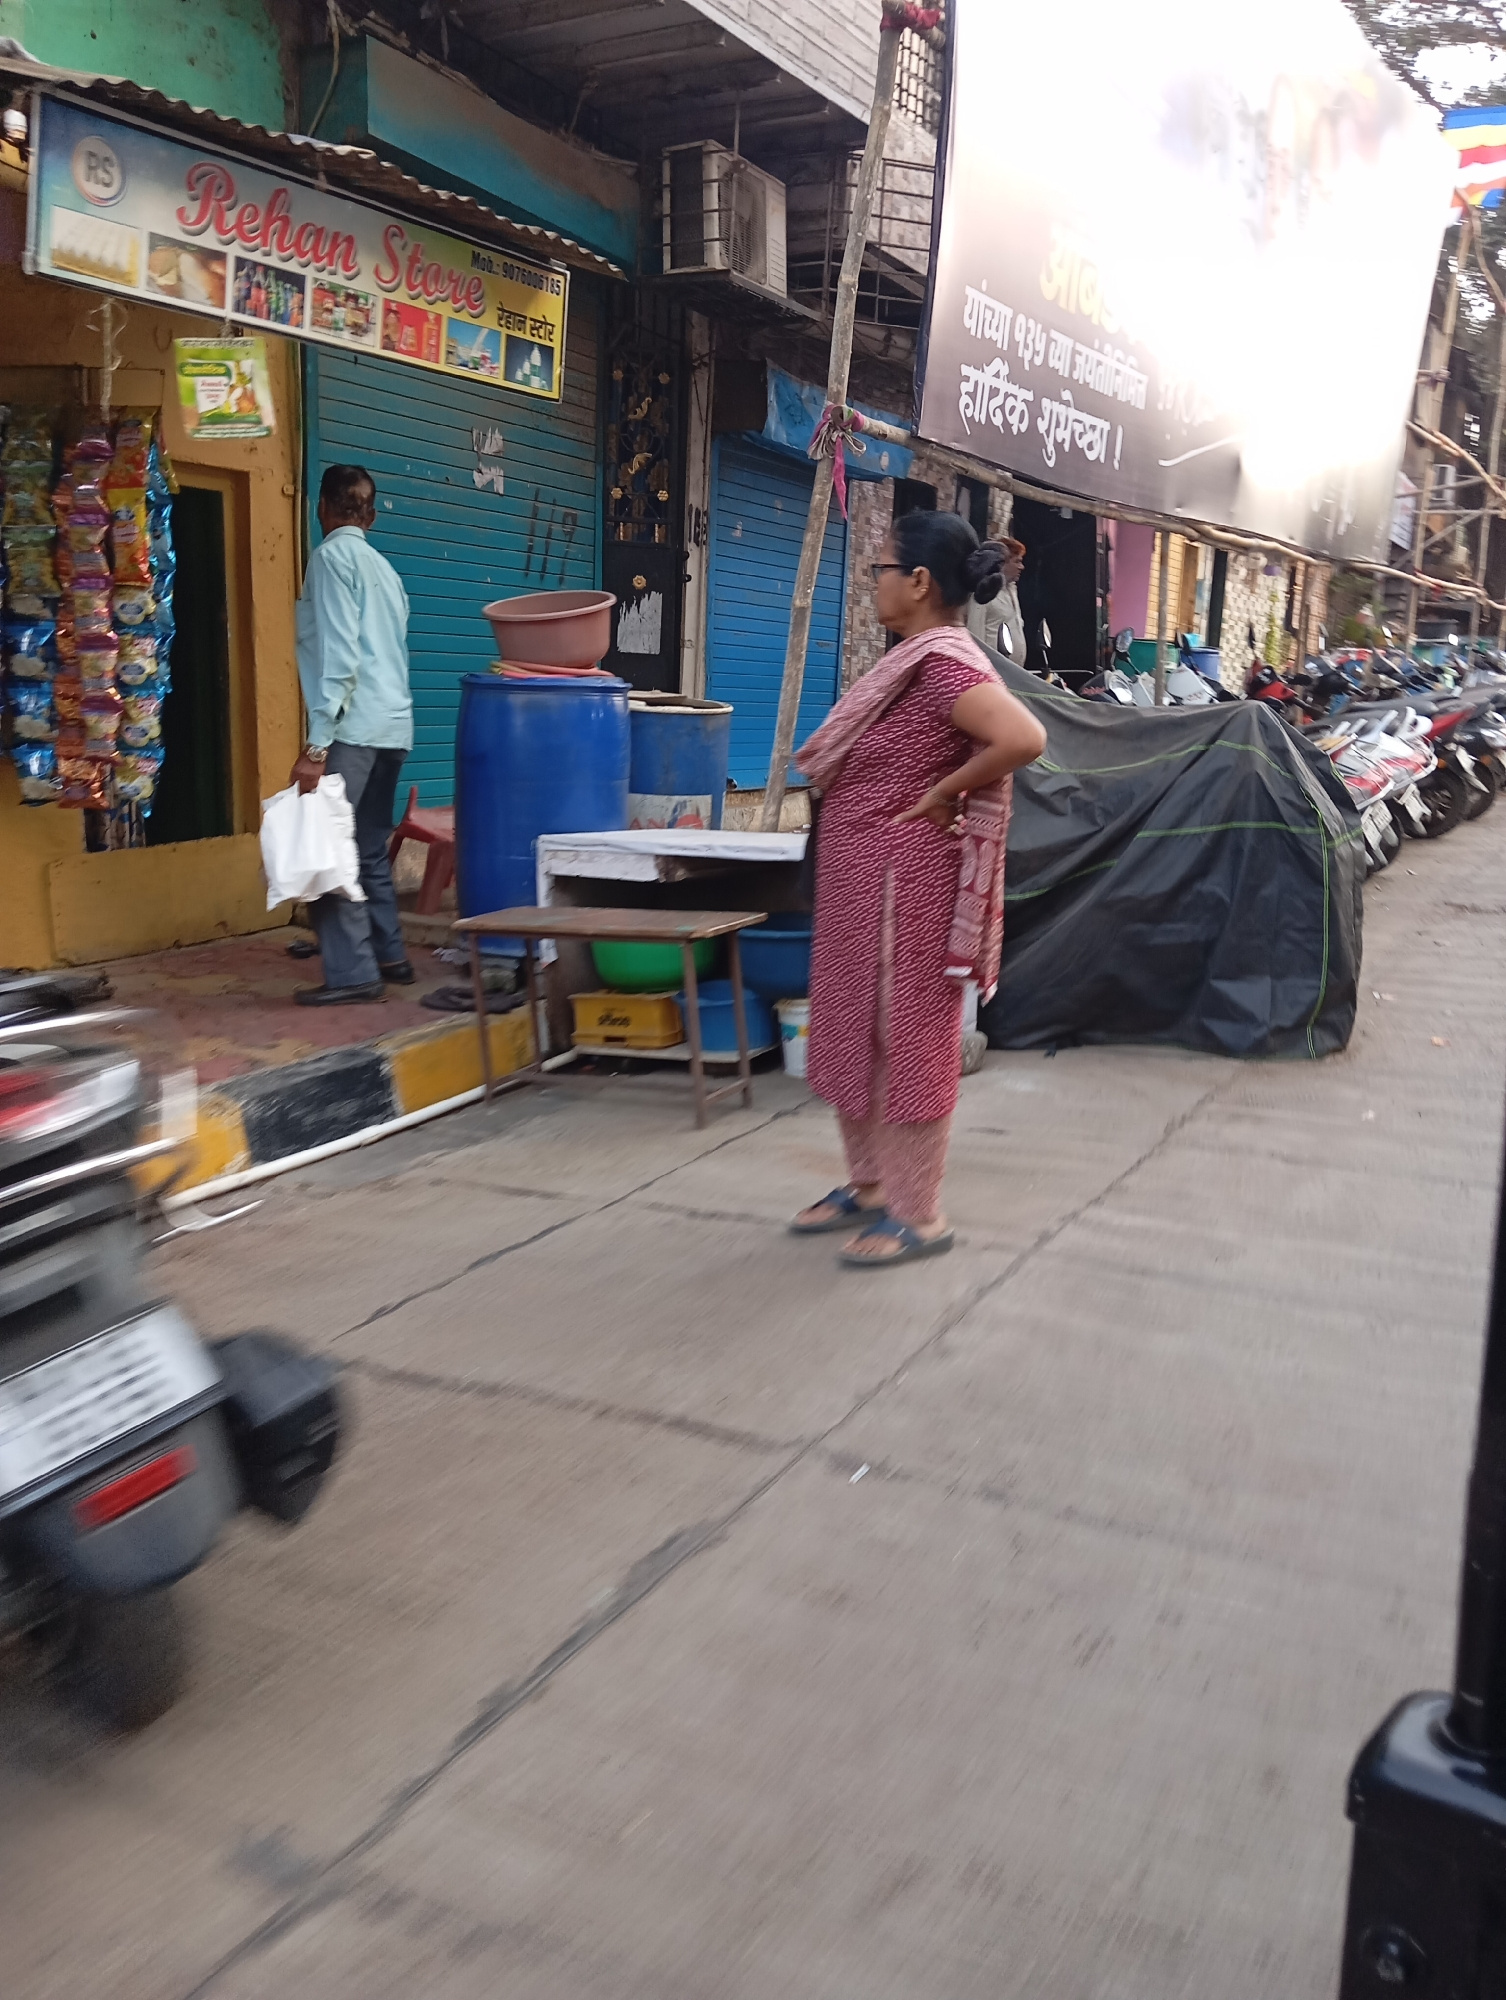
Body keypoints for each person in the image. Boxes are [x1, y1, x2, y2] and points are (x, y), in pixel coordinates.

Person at [790, 511, 1047, 1267]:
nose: (873, 580)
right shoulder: (912, 659)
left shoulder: (944, 664)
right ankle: (869, 1186)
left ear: (920, 581)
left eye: (881, 568)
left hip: (906, 885)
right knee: (852, 1029)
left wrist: (943, 791)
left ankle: (918, 1215)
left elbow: (1023, 738)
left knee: (907, 1040)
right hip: (860, 880)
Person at [290, 464, 415, 1005]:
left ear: (321, 507)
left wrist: (317, 745)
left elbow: (340, 658)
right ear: (371, 515)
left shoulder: (330, 559)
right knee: (367, 847)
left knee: (326, 850)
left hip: (352, 730)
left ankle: (353, 974)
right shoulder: (385, 570)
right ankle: (391, 956)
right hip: (393, 728)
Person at [966, 532, 1026, 663]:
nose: (1021, 567)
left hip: (1012, 670)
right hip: (992, 667)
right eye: (1017, 561)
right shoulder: (985, 590)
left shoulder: (1012, 590)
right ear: (1003, 562)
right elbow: (975, 632)